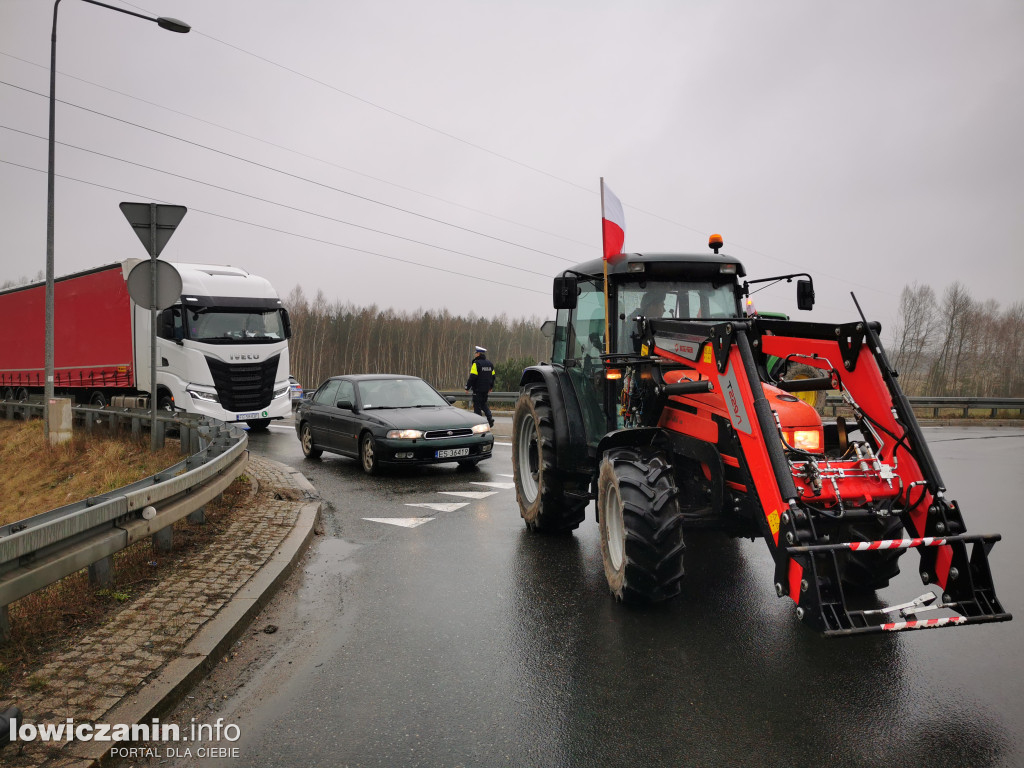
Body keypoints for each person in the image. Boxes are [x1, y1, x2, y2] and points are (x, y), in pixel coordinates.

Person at [465, 345, 496, 427]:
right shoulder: (490, 364)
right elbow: (493, 376)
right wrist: (491, 387)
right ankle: (490, 419)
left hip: (477, 389)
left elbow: (473, 376)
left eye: (476, 353)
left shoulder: (476, 364)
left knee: (477, 407)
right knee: (483, 404)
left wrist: (467, 387)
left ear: (478, 354)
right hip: (486, 389)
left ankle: (479, 423)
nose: (475, 354)